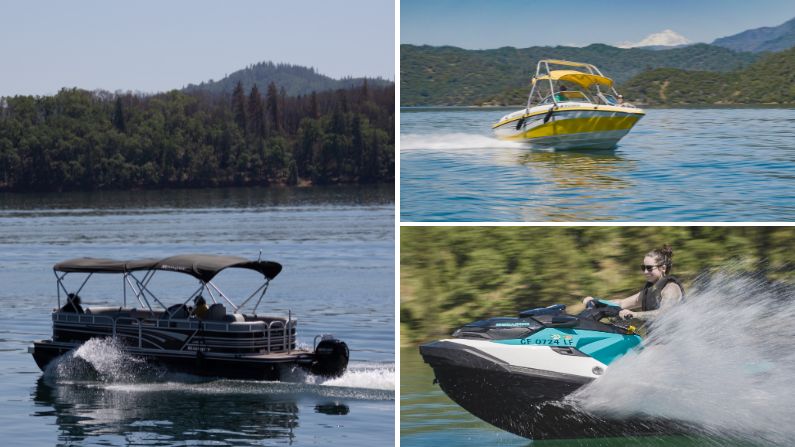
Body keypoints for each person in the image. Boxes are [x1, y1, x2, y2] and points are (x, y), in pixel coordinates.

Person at [583, 245, 684, 321]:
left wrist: (635, 314)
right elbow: (622, 303)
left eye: (649, 268)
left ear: (663, 268)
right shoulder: (650, 290)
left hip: (672, 344)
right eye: (643, 268)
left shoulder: (671, 288)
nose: (645, 272)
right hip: (656, 342)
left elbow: (664, 313)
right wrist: (596, 301)